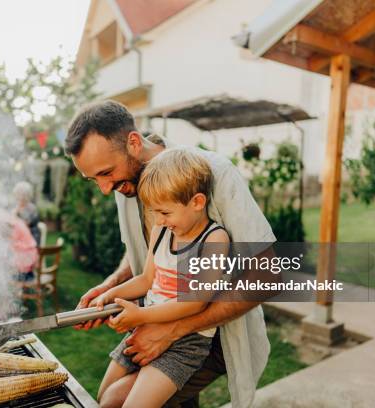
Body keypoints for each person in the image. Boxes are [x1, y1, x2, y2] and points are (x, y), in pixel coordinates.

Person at [65, 100, 277, 408]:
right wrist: (111, 287)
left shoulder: (216, 173)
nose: (104, 188)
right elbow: (150, 252)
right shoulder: (128, 180)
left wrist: (172, 329)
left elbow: (267, 275)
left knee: (118, 401)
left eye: (106, 173)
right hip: (156, 318)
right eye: (94, 178)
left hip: (209, 335)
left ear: (134, 143)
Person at [95, 149, 229, 408]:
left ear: (197, 202)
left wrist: (140, 316)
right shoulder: (161, 230)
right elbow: (146, 280)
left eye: (165, 212)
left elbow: (196, 303)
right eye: (154, 212)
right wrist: (110, 294)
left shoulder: (214, 240)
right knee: (104, 398)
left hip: (186, 342)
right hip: (146, 326)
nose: (158, 220)